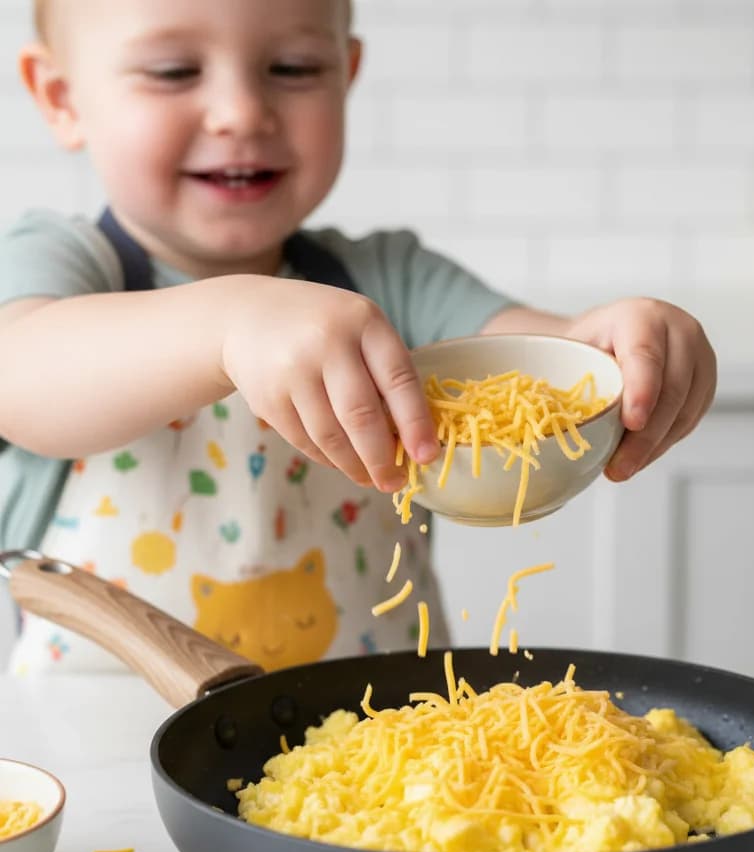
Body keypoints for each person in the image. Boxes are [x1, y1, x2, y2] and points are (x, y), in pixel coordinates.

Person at [0, 0, 716, 675]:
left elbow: (549, 363)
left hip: (375, 758)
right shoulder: (63, 266)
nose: (243, 112)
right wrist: (231, 321)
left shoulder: (387, 278)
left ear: (347, 74)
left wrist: (622, 345)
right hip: (101, 755)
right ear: (61, 97)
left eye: (294, 69)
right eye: (173, 72)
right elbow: (20, 370)